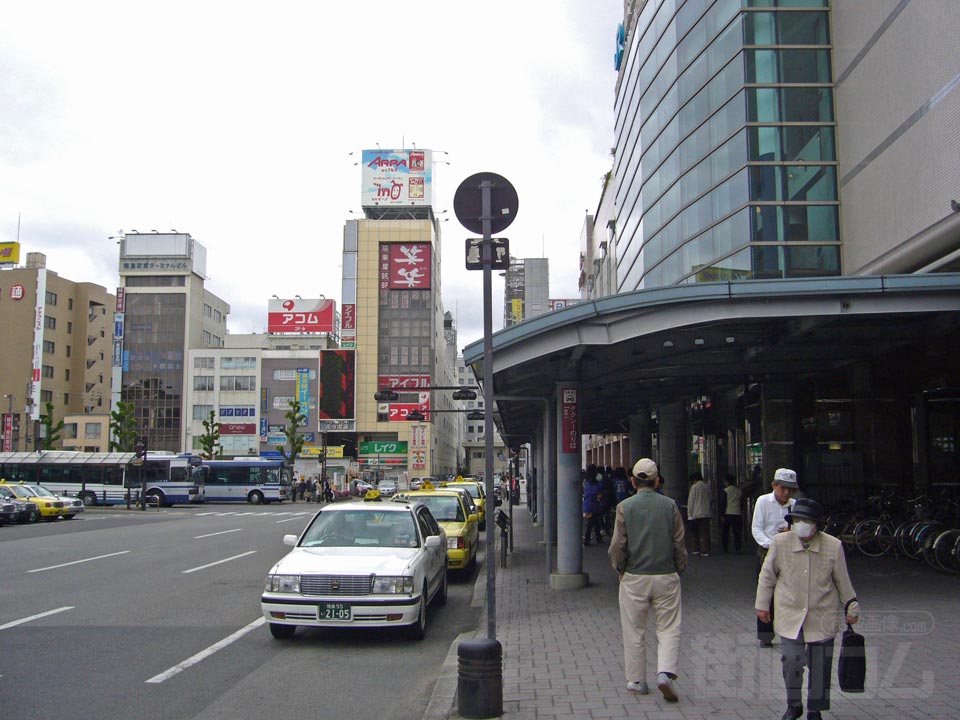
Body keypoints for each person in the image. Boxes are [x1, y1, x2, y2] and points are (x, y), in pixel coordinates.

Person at [755, 498, 860, 720]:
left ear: (817, 524)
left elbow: (843, 580)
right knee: (791, 660)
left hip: (822, 614)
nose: (801, 524)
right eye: (797, 520)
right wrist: (762, 604)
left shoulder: (833, 546)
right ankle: (794, 704)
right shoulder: (780, 543)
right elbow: (767, 575)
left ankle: (815, 709)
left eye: (807, 520)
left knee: (820, 665)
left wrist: (851, 605)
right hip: (789, 612)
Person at [609, 458, 687, 703]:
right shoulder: (670, 506)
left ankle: (637, 680)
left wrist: (620, 569)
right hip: (666, 576)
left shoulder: (624, 507)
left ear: (633, 482)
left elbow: (617, 546)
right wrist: (678, 569)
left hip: (634, 577)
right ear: (656, 481)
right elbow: (679, 543)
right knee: (668, 627)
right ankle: (665, 672)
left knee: (634, 629)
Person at [751, 467, 799, 646]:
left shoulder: (795, 505)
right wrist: (772, 544)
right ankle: (765, 635)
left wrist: (790, 532)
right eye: (782, 488)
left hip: (791, 552)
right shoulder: (763, 501)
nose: (786, 493)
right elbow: (757, 528)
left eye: (790, 489)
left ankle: (792, 631)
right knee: (766, 592)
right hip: (767, 551)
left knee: (791, 592)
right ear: (774, 486)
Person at [686, 471, 712, 556]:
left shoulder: (694, 487)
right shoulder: (707, 486)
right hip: (706, 513)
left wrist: (689, 513)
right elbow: (711, 498)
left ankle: (696, 549)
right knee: (705, 532)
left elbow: (691, 501)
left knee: (695, 533)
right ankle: (705, 550)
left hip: (696, 513)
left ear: (694, 479)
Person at [582, 465, 605, 545]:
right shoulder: (592, 482)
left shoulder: (586, 481)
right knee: (591, 523)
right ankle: (587, 539)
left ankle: (597, 537)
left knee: (595, 522)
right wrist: (600, 478)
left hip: (589, 504)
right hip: (593, 505)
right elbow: (596, 489)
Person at [720, 474, 743, 553]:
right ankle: (738, 548)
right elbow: (742, 503)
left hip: (727, 513)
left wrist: (721, 514)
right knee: (737, 532)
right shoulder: (739, 491)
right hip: (737, 513)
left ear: (726, 482)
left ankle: (725, 548)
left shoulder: (725, 491)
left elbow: (723, 503)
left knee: (725, 532)